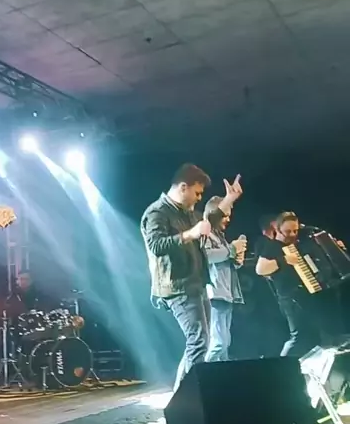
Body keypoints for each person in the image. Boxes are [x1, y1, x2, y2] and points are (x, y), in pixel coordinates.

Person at [140, 164, 243, 390]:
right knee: (198, 342)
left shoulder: (187, 213)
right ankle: (186, 396)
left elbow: (209, 221)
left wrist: (229, 200)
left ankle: (185, 393)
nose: (199, 198)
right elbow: (156, 245)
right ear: (183, 187)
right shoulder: (157, 213)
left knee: (201, 343)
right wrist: (190, 234)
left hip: (196, 283)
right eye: (197, 193)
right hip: (177, 286)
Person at [255, 211, 336, 357]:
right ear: (277, 229)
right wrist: (284, 260)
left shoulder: (298, 244)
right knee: (297, 337)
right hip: (290, 298)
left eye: (295, 230)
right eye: (288, 231)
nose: (292, 234)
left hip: (306, 296)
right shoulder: (272, 246)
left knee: (318, 335)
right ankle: (281, 365)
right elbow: (260, 269)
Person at [203, 196, 246, 362]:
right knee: (218, 343)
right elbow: (206, 257)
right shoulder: (205, 234)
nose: (228, 219)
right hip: (215, 295)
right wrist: (231, 250)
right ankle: (201, 373)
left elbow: (225, 261)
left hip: (226, 294)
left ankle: (220, 373)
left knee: (225, 344)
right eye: (225, 215)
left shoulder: (220, 237)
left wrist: (236, 260)